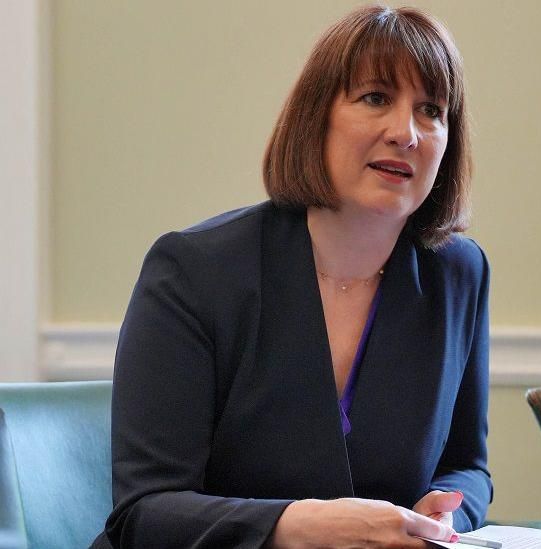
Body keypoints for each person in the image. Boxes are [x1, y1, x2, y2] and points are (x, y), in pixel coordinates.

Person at [92, 5, 491, 548]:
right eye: (375, 98)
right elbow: (145, 512)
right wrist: (299, 527)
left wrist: (444, 518)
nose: (406, 133)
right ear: (316, 116)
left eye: (430, 111)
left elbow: (466, 465)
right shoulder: (194, 270)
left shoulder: (458, 273)